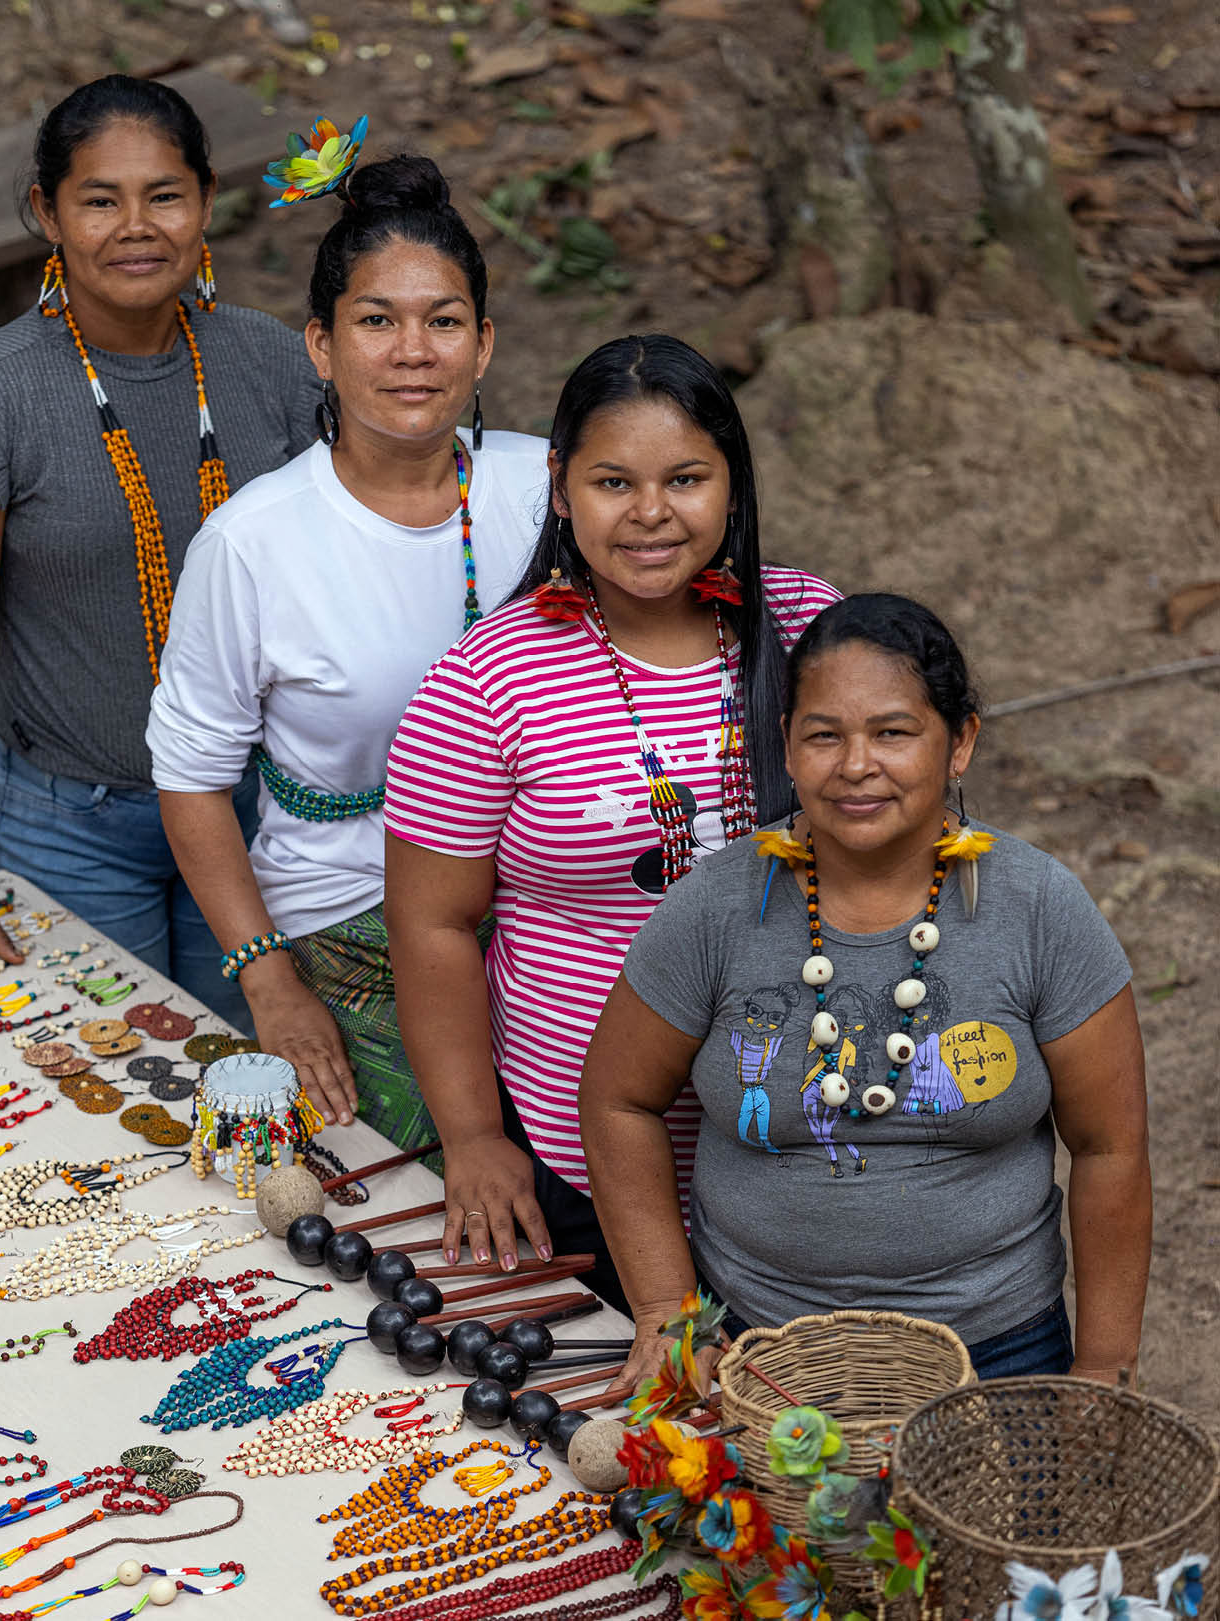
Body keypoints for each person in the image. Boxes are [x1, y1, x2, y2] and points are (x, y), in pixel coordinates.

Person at [581, 593, 1151, 1383]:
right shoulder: (714, 906)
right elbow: (617, 1100)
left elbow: (1109, 1147)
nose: (855, 765)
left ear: (959, 743)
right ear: (783, 745)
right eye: (823, 734)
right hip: (756, 1352)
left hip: (995, 1352)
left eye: (892, 731)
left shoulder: (1038, 906)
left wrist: (1104, 1362)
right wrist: (665, 1314)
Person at [383, 335, 839, 1299]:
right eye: (610, 481)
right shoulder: (486, 679)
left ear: (731, 482)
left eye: (685, 478)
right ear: (558, 487)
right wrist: (472, 1137)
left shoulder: (808, 629)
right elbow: (431, 924)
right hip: (573, 1149)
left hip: (796, 1133)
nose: (649, 514)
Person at [0, 75, 319, 1021]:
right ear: (47, 211)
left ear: (205, 202)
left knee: (249, 1087)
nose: (136, 226)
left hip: (250, 809)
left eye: (164, 194)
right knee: (111, 1096)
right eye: (99, 199)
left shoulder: (273, 363)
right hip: (70, 823)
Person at [146, 152, 547, 1153]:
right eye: (376, 321)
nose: (412, 350)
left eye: (442, 320)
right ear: (319, 347)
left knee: (608, 1160)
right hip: (350, 924)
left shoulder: (552, 489)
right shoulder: (253, 543)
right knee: (433, 1189)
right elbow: (191, 779)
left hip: (547, 900)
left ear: (483, 343)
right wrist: (270, 980)